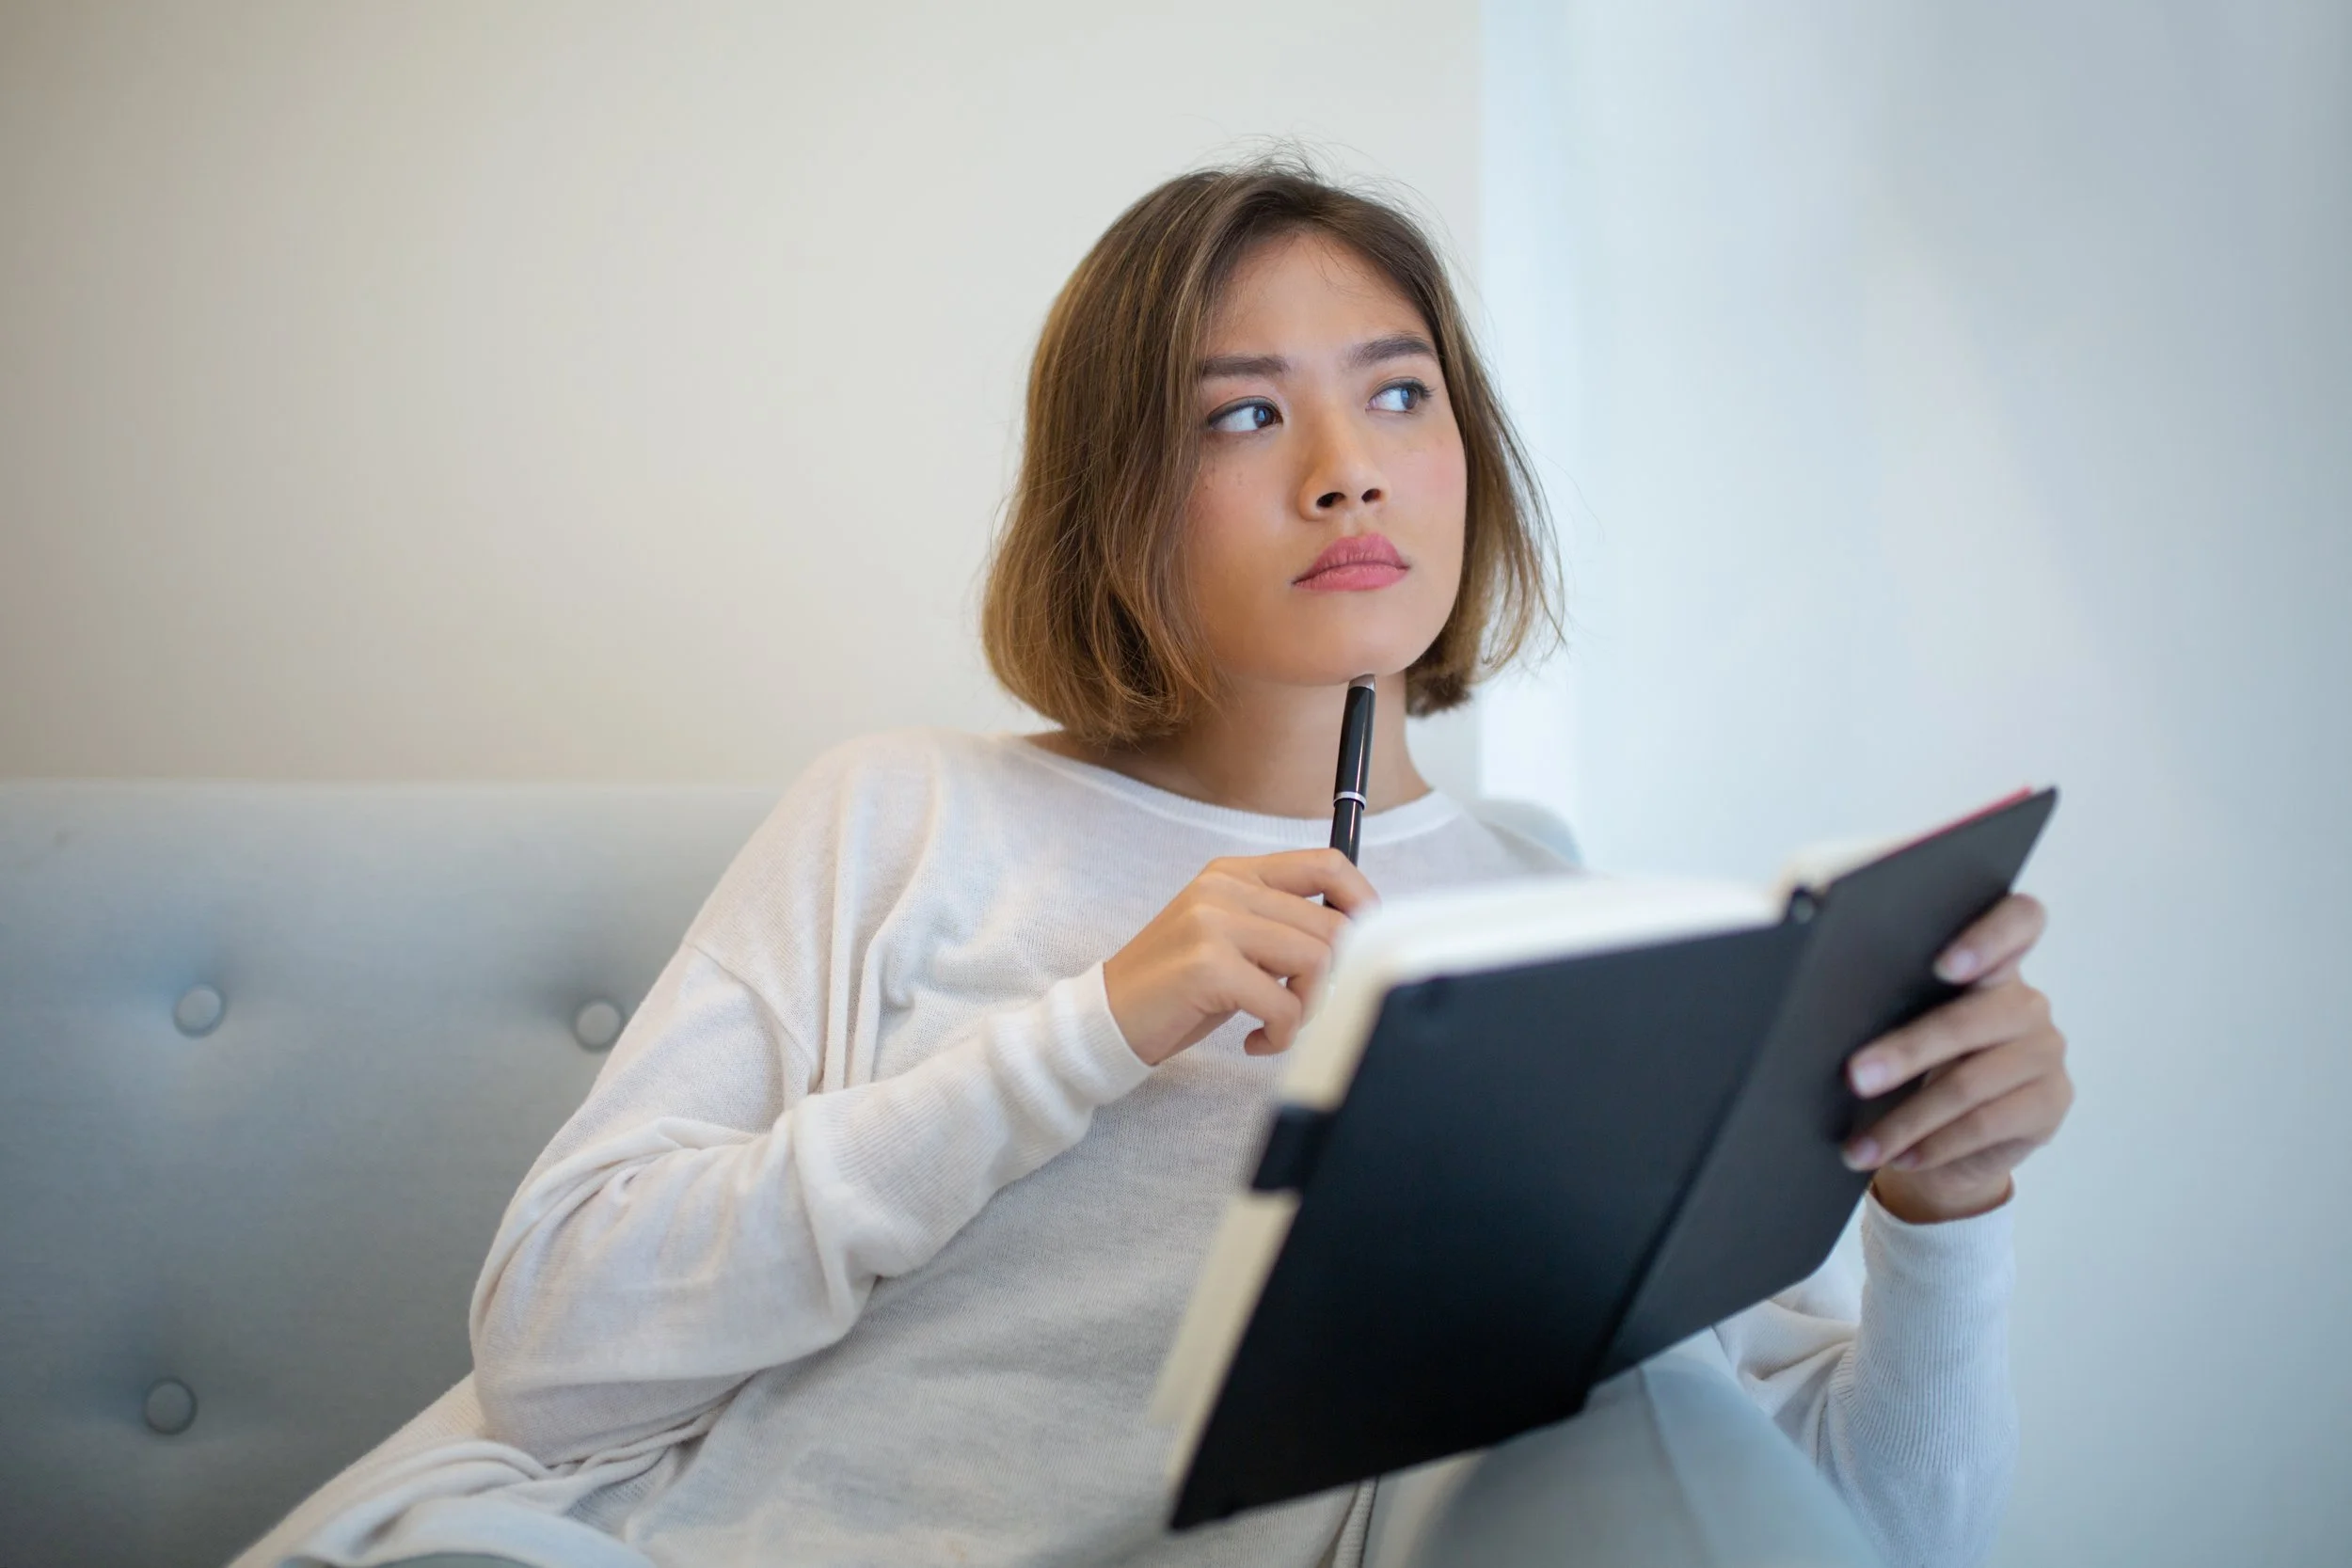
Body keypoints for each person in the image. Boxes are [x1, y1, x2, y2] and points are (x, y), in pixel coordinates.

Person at [231, 155, 2074, 1568]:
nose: (1348, 471)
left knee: (1648, 1393)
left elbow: (1834, 1523)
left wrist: (1942, 1223)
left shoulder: (1546, 907)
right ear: (1119, 488)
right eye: (1243, 414)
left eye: (1400, 392)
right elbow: (555, 1338)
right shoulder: (908, 810)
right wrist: (1090, 1026)